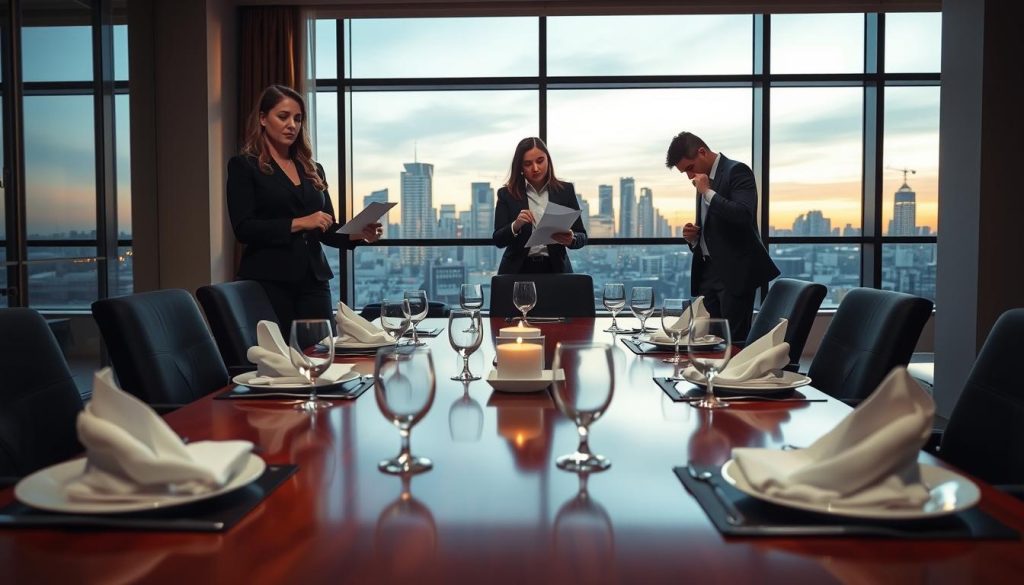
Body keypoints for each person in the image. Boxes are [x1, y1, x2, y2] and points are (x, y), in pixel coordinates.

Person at [227, 84, 382, 333]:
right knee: (282, 361)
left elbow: (326, 228)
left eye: (298, 119)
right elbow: (244, 229)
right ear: (263, 119)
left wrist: (359, 233)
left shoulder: (313, 169)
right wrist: (300, 222)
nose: (292, 125)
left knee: (322, 353)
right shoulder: (244, 166)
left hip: (314, 281)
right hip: (268, 282)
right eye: (283, 116)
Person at [665, 131, 779, 341]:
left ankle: (730, 374)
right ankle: (710, 374)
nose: (690, 176)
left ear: (702, 152)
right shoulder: (702, 181)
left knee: (731, 343)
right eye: (685, 173)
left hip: (735, 273)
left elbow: (743, 215)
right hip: (708, 273)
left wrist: (707, 192)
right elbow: (713, 227)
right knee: (708, 342)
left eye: (690, 168)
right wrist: (693, 238)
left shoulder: (737, 171)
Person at [493, 137, 587, 274]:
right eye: (528, 164)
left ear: (548, 160)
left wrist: (571, 239)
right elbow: (498, 240)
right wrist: (516, 225)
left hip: (556, 269)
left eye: (540, 161)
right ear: (520, 167)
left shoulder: (565, 191)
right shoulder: (506, 194)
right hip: (518, 270)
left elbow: (582, 236)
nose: (535, 168)